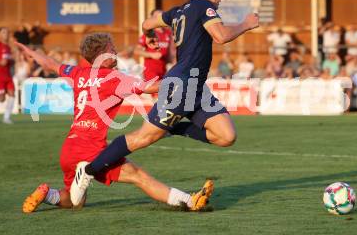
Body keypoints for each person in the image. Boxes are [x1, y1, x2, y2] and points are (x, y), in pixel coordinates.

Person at [70, 0, 260, 206]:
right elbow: (220, 36)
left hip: (197, 86)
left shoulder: (178, 11)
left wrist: (148, 32)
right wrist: (245, 24)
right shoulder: (204, 6)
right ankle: (88, 170)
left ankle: (173, 129)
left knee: (226, 136)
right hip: (180, 84)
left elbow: (147, 22)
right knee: (142, 138)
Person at [18, 33, 213, 213]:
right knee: (138, 176)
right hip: (91, 148)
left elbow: (51, 64)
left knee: (74, 200)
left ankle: (47, 193)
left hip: (69, 148)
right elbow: (149, 87)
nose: (116, 52)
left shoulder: (78, 73)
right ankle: (190, 201)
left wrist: (31, 52)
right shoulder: (114, 78)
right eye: (112, 50)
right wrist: (184, 81)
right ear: (102, 55)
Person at [136, 9, 174, 82]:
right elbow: (137, 51)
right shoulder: (149, 33)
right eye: (156, 17)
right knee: (157, 92)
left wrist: (173, 63)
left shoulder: (168, 33)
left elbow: (170, 52)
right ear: (152, 18)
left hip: (163, 69)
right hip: (151, 70)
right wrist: (151, 55)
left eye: (161, 16)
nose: (159, 19)